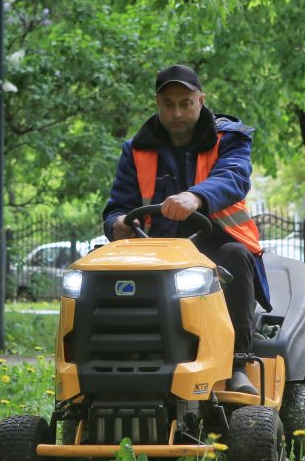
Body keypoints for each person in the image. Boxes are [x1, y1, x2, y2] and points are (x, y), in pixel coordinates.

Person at [103, 64, 271, 395]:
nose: (177, 112)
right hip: (154, 252)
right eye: (168, 103)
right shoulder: (136, 150)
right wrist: (118, 224)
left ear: (201, 100)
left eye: (185, 103)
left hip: (214, 247)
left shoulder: (229, 138)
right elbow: (117, 208)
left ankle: (237, 363)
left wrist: (195, 197)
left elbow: (234, 177)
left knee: (235, 257)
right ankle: (119, 360)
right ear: (157, 104)